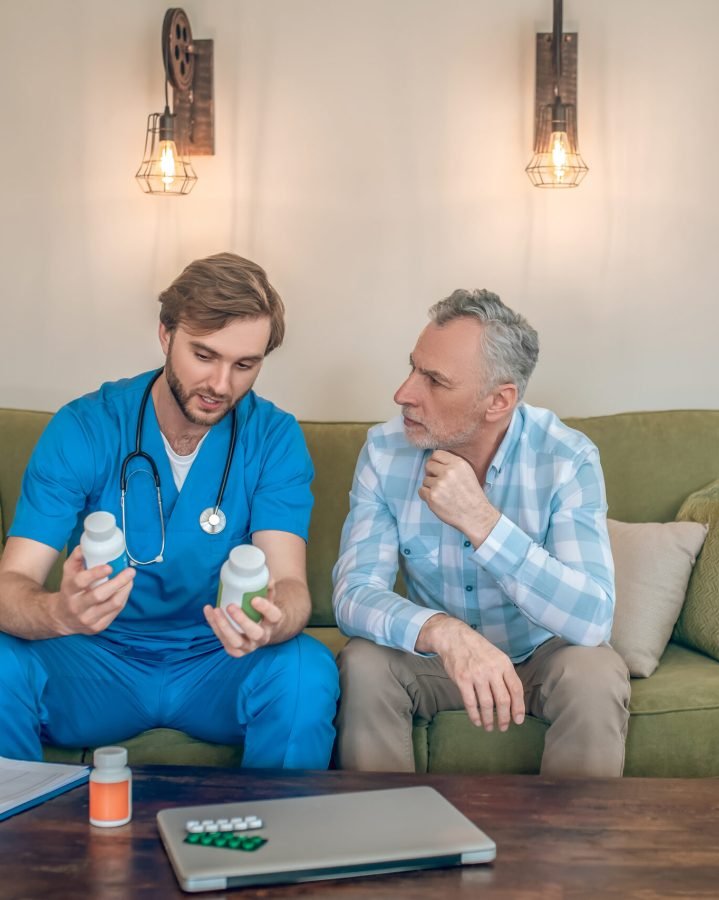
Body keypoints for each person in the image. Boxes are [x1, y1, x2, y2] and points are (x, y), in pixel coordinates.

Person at [0, 252, 338, 768]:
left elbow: (291, 587)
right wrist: (58, 613)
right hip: (96, 659)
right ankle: (22, 842)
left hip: (219, 661)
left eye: (245, 364)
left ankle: (277, 841)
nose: (222, 385)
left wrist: (271, 624)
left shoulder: (273, 437)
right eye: (204, 355)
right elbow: (12, 585)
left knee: (306, 668)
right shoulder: (86, 427)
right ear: (166, 334)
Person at [333, 289, 629, 776]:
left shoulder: (566, 458)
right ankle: (384, 842)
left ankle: (573, 850)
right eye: (413, 368)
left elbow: (592, 618)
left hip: (541, 654)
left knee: (594, 673)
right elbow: (353, 593)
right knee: (364, 664)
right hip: (437, 660)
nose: (404, 393)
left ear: (498, 401)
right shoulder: (385, 452)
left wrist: (483, 523)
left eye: (434, 380)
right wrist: (442, 632)